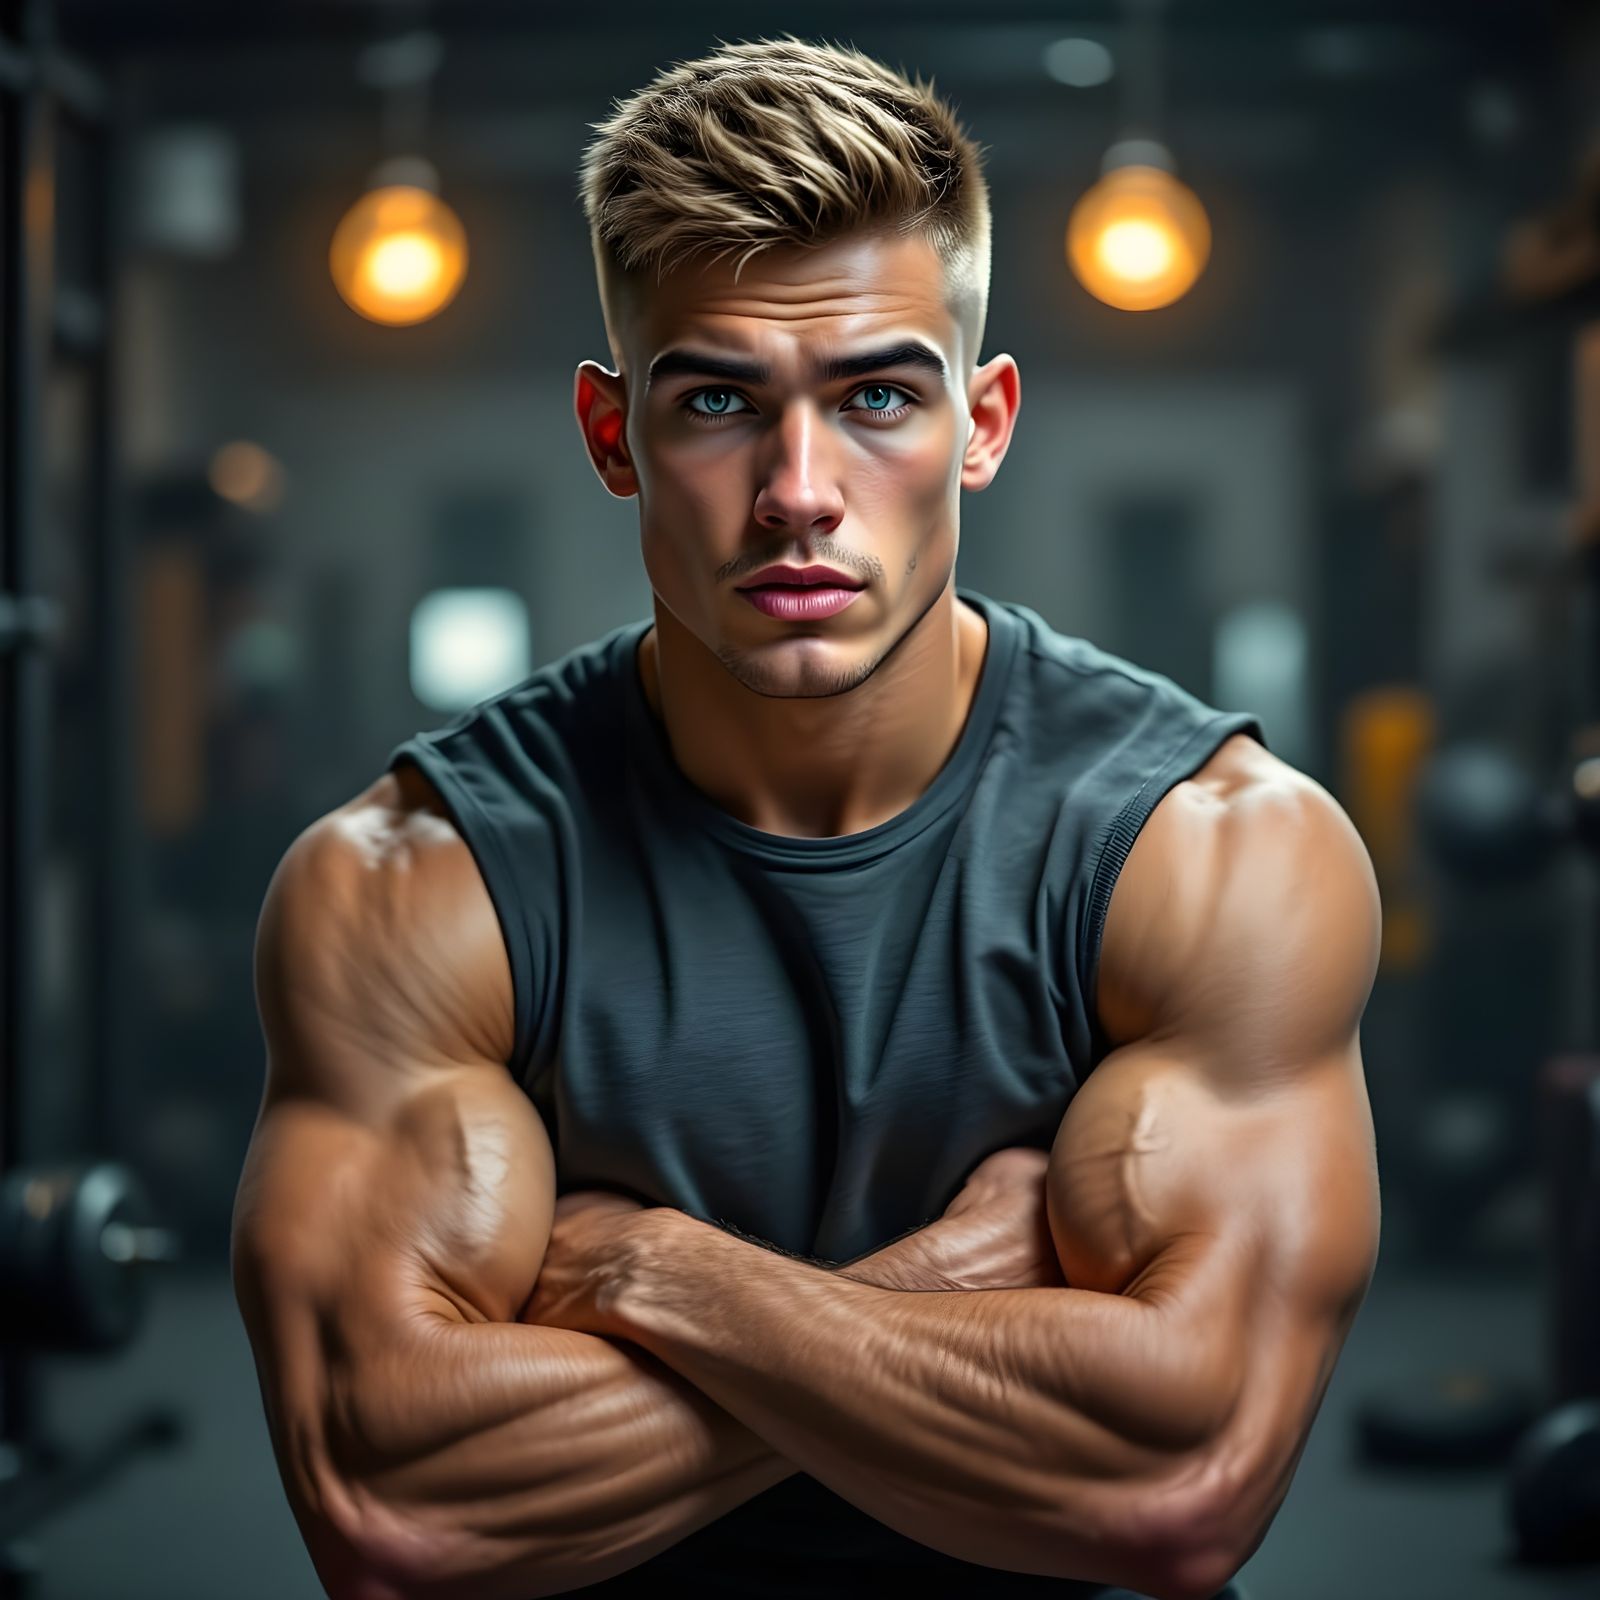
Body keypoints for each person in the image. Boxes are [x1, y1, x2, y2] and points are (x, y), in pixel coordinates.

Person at [231, 34, 1380, 1600]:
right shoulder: (413, 886)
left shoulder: (1213, 851)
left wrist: (652, 1271)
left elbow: (1178, 1487)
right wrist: (956, 1284)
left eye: (877, 400)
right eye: (717, 399)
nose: (799, 488)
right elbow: (395, 1510)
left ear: (981, 422)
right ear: (611, 433)